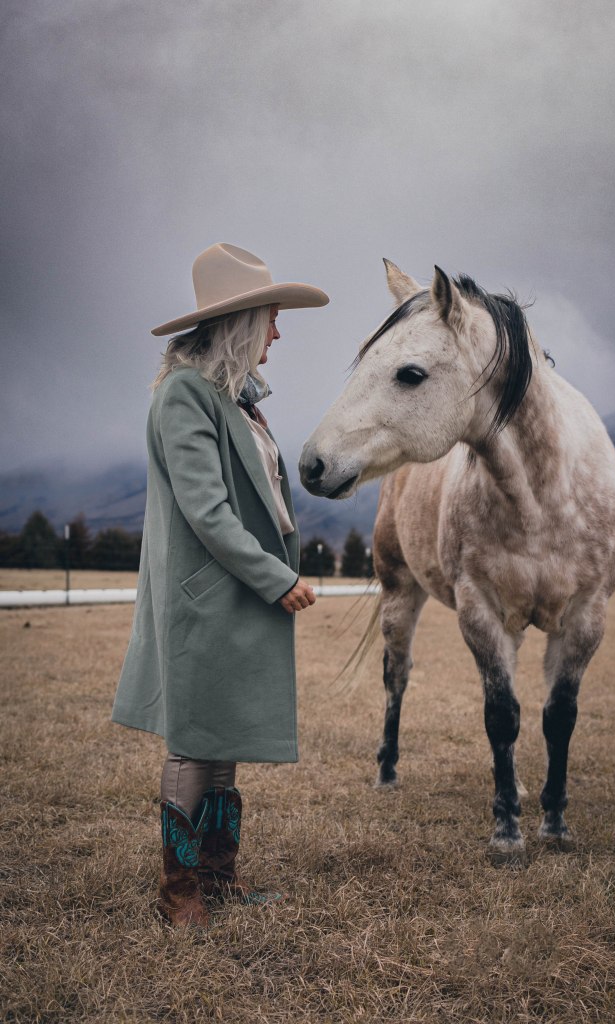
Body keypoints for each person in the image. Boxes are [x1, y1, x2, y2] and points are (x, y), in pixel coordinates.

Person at [112, 242, 329, 927]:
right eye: (269, 318)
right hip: (208, 597)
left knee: (223, 734)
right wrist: (277, 578)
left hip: (237, 595)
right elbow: (207, 512)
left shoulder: (235, 401)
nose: (277, 332)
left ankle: (218, 875)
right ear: (240, 325)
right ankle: (179, 892)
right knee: (195, 739)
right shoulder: (185, 398)